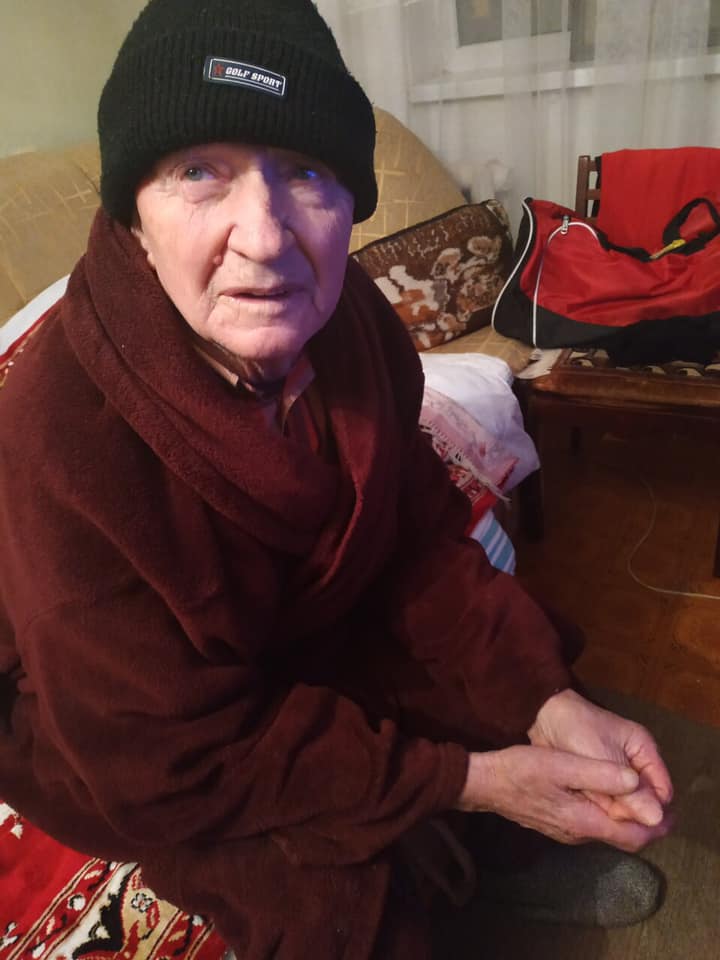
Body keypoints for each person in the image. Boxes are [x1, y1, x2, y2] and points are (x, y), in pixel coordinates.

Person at [0, 0, 672, 957]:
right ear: (134, 219)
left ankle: (509, 844)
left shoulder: (351, 317)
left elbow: (417, 536)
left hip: (299, 627)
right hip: (143, 729)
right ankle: (452, 839)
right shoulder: (61, 434)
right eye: (198, 172)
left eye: (305, 171)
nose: (265, 238)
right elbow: (159, 764)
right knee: (326, 908)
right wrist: (471, 782)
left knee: (502, 676)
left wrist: (544, 703)